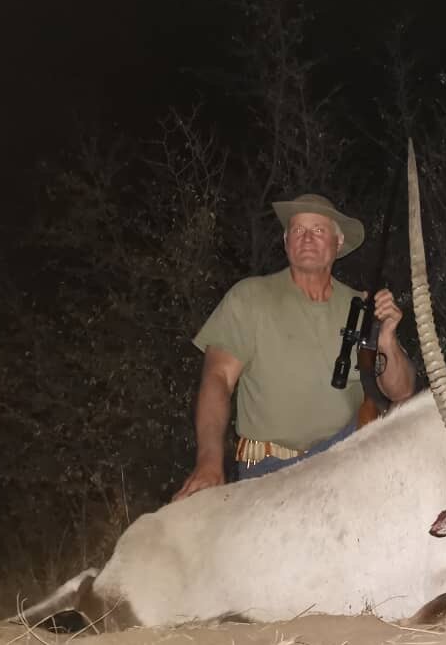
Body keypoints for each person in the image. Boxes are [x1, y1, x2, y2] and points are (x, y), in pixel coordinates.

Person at [173, 193, 416, 500]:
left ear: (337, 243)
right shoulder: (249, 298)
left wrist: (387, 339)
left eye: (318, 230)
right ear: (286, 241)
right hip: (269, 468)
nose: (307, 238)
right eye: (298, 230)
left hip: (344, 461)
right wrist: (209, 462)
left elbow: (402, 392)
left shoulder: (362, 308)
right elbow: (218, 379)